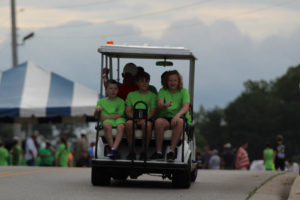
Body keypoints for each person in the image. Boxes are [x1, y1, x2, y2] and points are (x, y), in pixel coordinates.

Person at [151, 70, 190, 161]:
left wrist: (177, 115)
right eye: (170, 80)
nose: (172, 83)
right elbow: (160, 104)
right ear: (167, 82)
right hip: (166, 118)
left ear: (178, 81)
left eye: (175, 80)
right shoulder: (162, 91)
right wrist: (165, 105)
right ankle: (159, 152)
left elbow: (185, 107)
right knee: (158, 122)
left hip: (178, 117)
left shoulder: (183, 91)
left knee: (179, 121)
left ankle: (171, 151)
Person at [125, 72, 157, 160]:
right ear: (137, 83)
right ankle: (131, 151)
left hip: (146, 119)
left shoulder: (153, 96)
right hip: (133, 119)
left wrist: (145, 119)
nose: (145, 83)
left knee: (147, 125)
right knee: (128, 124)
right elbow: (127, 110)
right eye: (142, 81)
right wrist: (134, 118)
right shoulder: (131, 95)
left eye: (147, 81)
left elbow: (152, 111)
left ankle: (144, 151)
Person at [95, 79, 126, 159]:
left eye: (115, 88)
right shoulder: (100, 102)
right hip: (108, 121)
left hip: (118, 119)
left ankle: (113, 149)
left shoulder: (121, 101)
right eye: (111, 88)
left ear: (118, 90)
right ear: (106, 90)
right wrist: (97, 110)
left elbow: (120, 115)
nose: (113, 91)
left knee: (121, 126)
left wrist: (105, 117)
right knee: (107, 125)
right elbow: (96, 116)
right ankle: (113, 149)